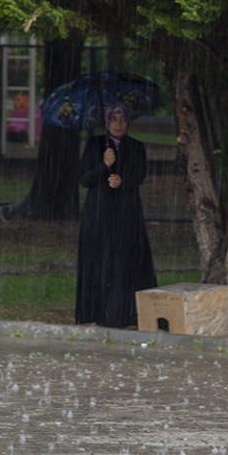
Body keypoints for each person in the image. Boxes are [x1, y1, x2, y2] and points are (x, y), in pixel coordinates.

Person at [76, 104, 157, 328]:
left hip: (126, 213)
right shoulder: (95, 145)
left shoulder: (136, 147)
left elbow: (139, 174)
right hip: (99, 214)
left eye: (122, 119)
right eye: (113, 119)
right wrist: (104, 166)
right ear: (107, 122)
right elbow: (85, 179)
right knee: (101, 262)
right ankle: (98, 311)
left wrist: (123, 181)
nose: (118, 124)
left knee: (124, 261)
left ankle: (124, 313)